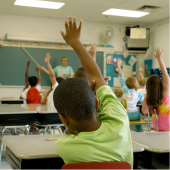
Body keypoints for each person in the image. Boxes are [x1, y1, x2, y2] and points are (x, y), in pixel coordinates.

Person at [53, 16, 133, 167]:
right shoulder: (119, 119)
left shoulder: (64, 146)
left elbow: (70, 131)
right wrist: (75, 42)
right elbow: (96, 76)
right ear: (96, 103)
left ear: (64, 119)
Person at [142, 48, 170, 131]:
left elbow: (144, 112)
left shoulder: (148, 96)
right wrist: (159, 58)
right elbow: (165, 73)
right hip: (168, 123)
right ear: (160, 83)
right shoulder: (166, 90)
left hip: (157, 124)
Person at [117, 58, 144, 131]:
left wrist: (119, 66)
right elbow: (144, 102)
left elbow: (121, 77)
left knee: (123, 125)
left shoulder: (125, 90)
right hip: (135, 114)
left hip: (125, 114)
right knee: (138, 125)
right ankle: (138, 131)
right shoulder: (138, 93)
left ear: (127, 83)